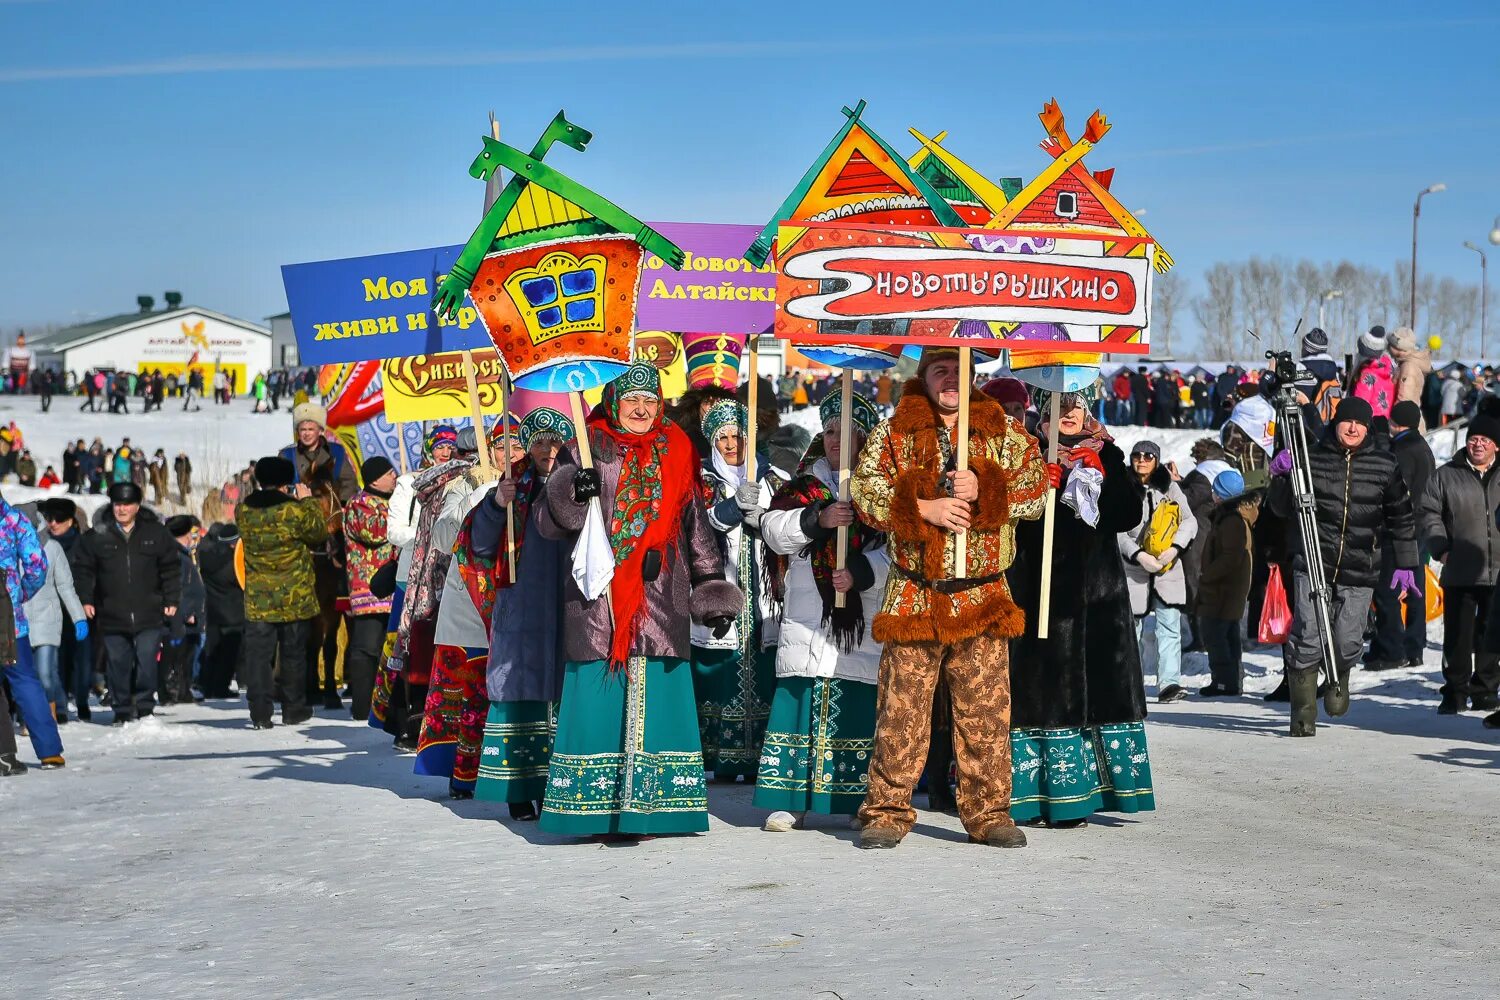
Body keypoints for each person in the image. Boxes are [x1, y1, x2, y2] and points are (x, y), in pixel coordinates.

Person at [849, 346, 1047, 850]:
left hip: (982, 595)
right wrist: (923, 507)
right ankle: (887, 810)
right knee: (901, 712)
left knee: (985, 713)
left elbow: (1038, 492)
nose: (951, 380)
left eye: (959, 370)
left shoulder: (1002, 430)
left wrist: (987, 485)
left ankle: (989, 812)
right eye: (941, 370)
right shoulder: (895, 431)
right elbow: (865, 494)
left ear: (974, 374)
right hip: (915, 594)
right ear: (925, 376)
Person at [533, 362, 742, 839]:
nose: (643, 409)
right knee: (600, 696)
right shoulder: (587, 445)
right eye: (633, 401)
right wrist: (570, 492)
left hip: (661, 596)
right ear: (614, 402)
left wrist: (711, 589)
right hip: (598, 601)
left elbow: (696, 525)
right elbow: (548, 523)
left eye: (651, 401)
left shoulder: (679, 448)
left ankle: (653, 809)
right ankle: (593, 811)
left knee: (656, 702)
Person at [1006, 394, 1155, 827]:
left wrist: (1104, 475)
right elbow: (1009, 513)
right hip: (1039, 592)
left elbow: (1126, 514)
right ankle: (1035, 798)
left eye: (1076, 404)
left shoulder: (1107, 450)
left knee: (1099, 688)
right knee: (1040, 693)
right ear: (1045, 412)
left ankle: (1087, 797)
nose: (1068, 413)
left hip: (1097, 597)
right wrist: (1038, 488)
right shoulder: (1027, 450)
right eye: (1059, 405)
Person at [752, 389, 888, 832]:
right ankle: (789, 799)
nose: (834, 439)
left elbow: (902, 551)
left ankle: (852, 799)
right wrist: (818, 519)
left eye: (846, 432)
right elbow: (774, 531)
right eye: (829, 430)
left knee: (853, 703)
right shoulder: (801, 485)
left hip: (857, 619)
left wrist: (864, 572)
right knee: (801, 703)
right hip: (808, 617)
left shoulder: (881, 490)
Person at [1268, 397, 1418, 736]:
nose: (1353, 428)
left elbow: (1402, 518)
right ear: (1335, 423)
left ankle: (1340, 676)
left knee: (1348, 638)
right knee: (1306, 635)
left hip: (1361, 566)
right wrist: (1279, 476)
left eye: (1360, 423)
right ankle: (1302, 715)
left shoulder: (1384, 465)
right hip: (1313, 559)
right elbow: (1280, 509)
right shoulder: (1312, 459)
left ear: (1367, 428)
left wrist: (1408, 563)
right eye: (1347, 421)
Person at [472, 409, 574, 818]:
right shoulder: (512, 488)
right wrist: (498, 504)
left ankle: (560, 783)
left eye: (554, 441)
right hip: (522, 605)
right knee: (519, 684)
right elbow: (478, 545)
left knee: (566, 688)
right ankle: (518, 787)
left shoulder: (579, 485)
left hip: (571, 604)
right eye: (538, 441)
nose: (547, 449)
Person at [690, 399, 775, 782]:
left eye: (737, 436)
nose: (730, 444)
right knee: (719, 671)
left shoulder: (774, 478)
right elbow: (695, 528)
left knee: (764, 666)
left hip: (766, 594)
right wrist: (729, 510)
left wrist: (767, 519)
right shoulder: (702, 480)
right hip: (721, 590)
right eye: (721, 437)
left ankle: (757, 754)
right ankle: (721, 756)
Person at [70, 481, 181, 725]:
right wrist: (86, 599)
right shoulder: (98, 535)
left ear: (137, 506)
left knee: (146, 662)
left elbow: (171, 568)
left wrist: (171, 598)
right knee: (118, 665)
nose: (121, 509)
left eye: (127, 504)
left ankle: (144, 707)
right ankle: (121, 708)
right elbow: (84, 570)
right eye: (118, 504)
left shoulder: (155, 534)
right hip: (112, 612)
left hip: (149, 611)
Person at [237, 456, 327, 729]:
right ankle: (294, 708)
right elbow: (318, 534)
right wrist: (308, 500)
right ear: (287, 482)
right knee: (293, 655)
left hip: (258, 597)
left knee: (259, 658)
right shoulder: (295, 511)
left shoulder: (243, 511)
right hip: (294, 595)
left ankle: (260, 713)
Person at [1419, 412, 1500, 714]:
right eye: (1473, 439)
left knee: (1491, 636)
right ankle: (1454, 691)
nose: (1478, 445)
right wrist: (1440, 547)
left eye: (1485, 440)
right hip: (1460, 568)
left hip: (1497, 571)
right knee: (1458, 636)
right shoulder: (1446, 474)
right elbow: (1429, 513)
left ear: (1496, 446)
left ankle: (1486, 690)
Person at [1119, 440, 1198, 702]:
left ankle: (1169, 682)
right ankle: (1131, 682)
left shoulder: (1170, 487)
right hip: (1134, 569)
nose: (1142, 460)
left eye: (1148, 456)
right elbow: (1116, 530)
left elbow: (1189, 521)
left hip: (1167, 568)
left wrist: (1175, 549)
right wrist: (1138, 554)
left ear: (1156, 459)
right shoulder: (1123, 487)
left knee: (1169, 626)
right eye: (1137, 456)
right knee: (1133, 628)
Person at [1365, 401, 1436, 672]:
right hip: (1420, 525)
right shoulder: (1422, 446)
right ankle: (1413, 647)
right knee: (1415, 589)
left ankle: (1391, 649)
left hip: (1401, 528)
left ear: (1395, 422)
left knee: (1387, 590)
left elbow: (1393, 487)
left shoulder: (1403, 449)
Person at [1, 492, 63, 766]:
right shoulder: (14, 520)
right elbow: (37, 566)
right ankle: (50, 751)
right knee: (24, 680)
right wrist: (21, 593)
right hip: (9, 618)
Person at [1196, 470, 1263, 697]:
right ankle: (1230, 680)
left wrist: (1207, 575)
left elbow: (1230, 557)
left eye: (1216, 491)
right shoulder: (1231, 517)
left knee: (1217, 635)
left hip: (1225, 588)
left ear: (1221, 495)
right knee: (1227, 634)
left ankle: (1225, 682)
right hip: (1228, 587)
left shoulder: (1231, 520)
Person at [341, 456, 396, 722]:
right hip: (368, 590)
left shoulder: (390, 501)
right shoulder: (358, 504)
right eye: (389, 473)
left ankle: (387, 708)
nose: (394, 477)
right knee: (367, 649)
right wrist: (401, 513)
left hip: (394, 588)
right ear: (375, 478)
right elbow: (374, 531)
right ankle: (362, 706)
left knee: (392, 649)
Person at [22, 503, 88, 724]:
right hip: (19, 620)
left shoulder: (52, 548)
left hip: (47, 618)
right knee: (25, 676)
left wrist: (78, 617)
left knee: (45, 673)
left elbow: (65, 586)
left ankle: (50, 714)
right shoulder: (8, 549)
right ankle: (30, 717)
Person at [196, 521, 245, 699]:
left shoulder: (208, 555)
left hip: (213, 611)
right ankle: (220, 687)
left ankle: (208, 685)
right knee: (228, 654)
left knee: (212, 651)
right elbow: (241, 580)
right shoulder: (231, 563)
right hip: (233, 614)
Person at [279, 402, 359, 503]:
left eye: (311, 429)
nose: (306, 434)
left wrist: (340, 505)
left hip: (329, 511)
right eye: (303, 430)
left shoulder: (336, 452)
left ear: (320, 430)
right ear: (297, 432)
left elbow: (349, 482)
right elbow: (278, 488)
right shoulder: (286, 455)